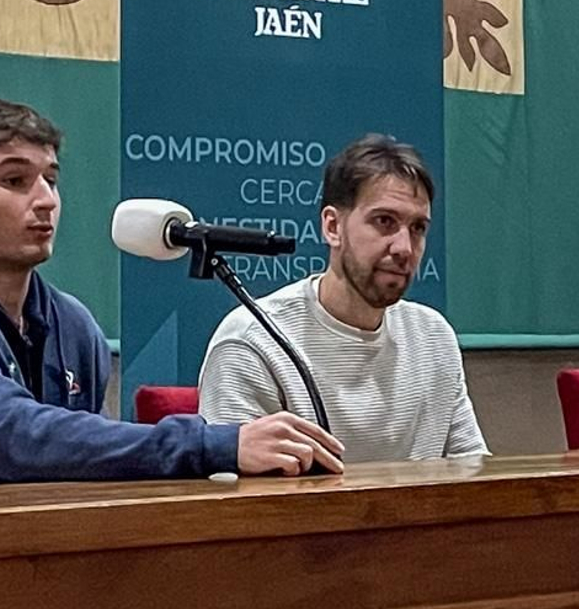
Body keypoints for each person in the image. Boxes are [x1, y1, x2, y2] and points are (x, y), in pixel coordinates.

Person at [0, 98, 343, 492]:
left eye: (50, 180)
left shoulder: (73, 325)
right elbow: (18, 439)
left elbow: (83, 463)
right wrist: (216, 444)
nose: (45, 200)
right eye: (15, 180)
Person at [198, 134, 487, 463]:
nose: (404, 248)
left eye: (418, 228)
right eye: (384, 222)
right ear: (332, 226)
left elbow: (471, 470)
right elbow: (236, 500)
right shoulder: (253, 341)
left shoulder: (433, 336)